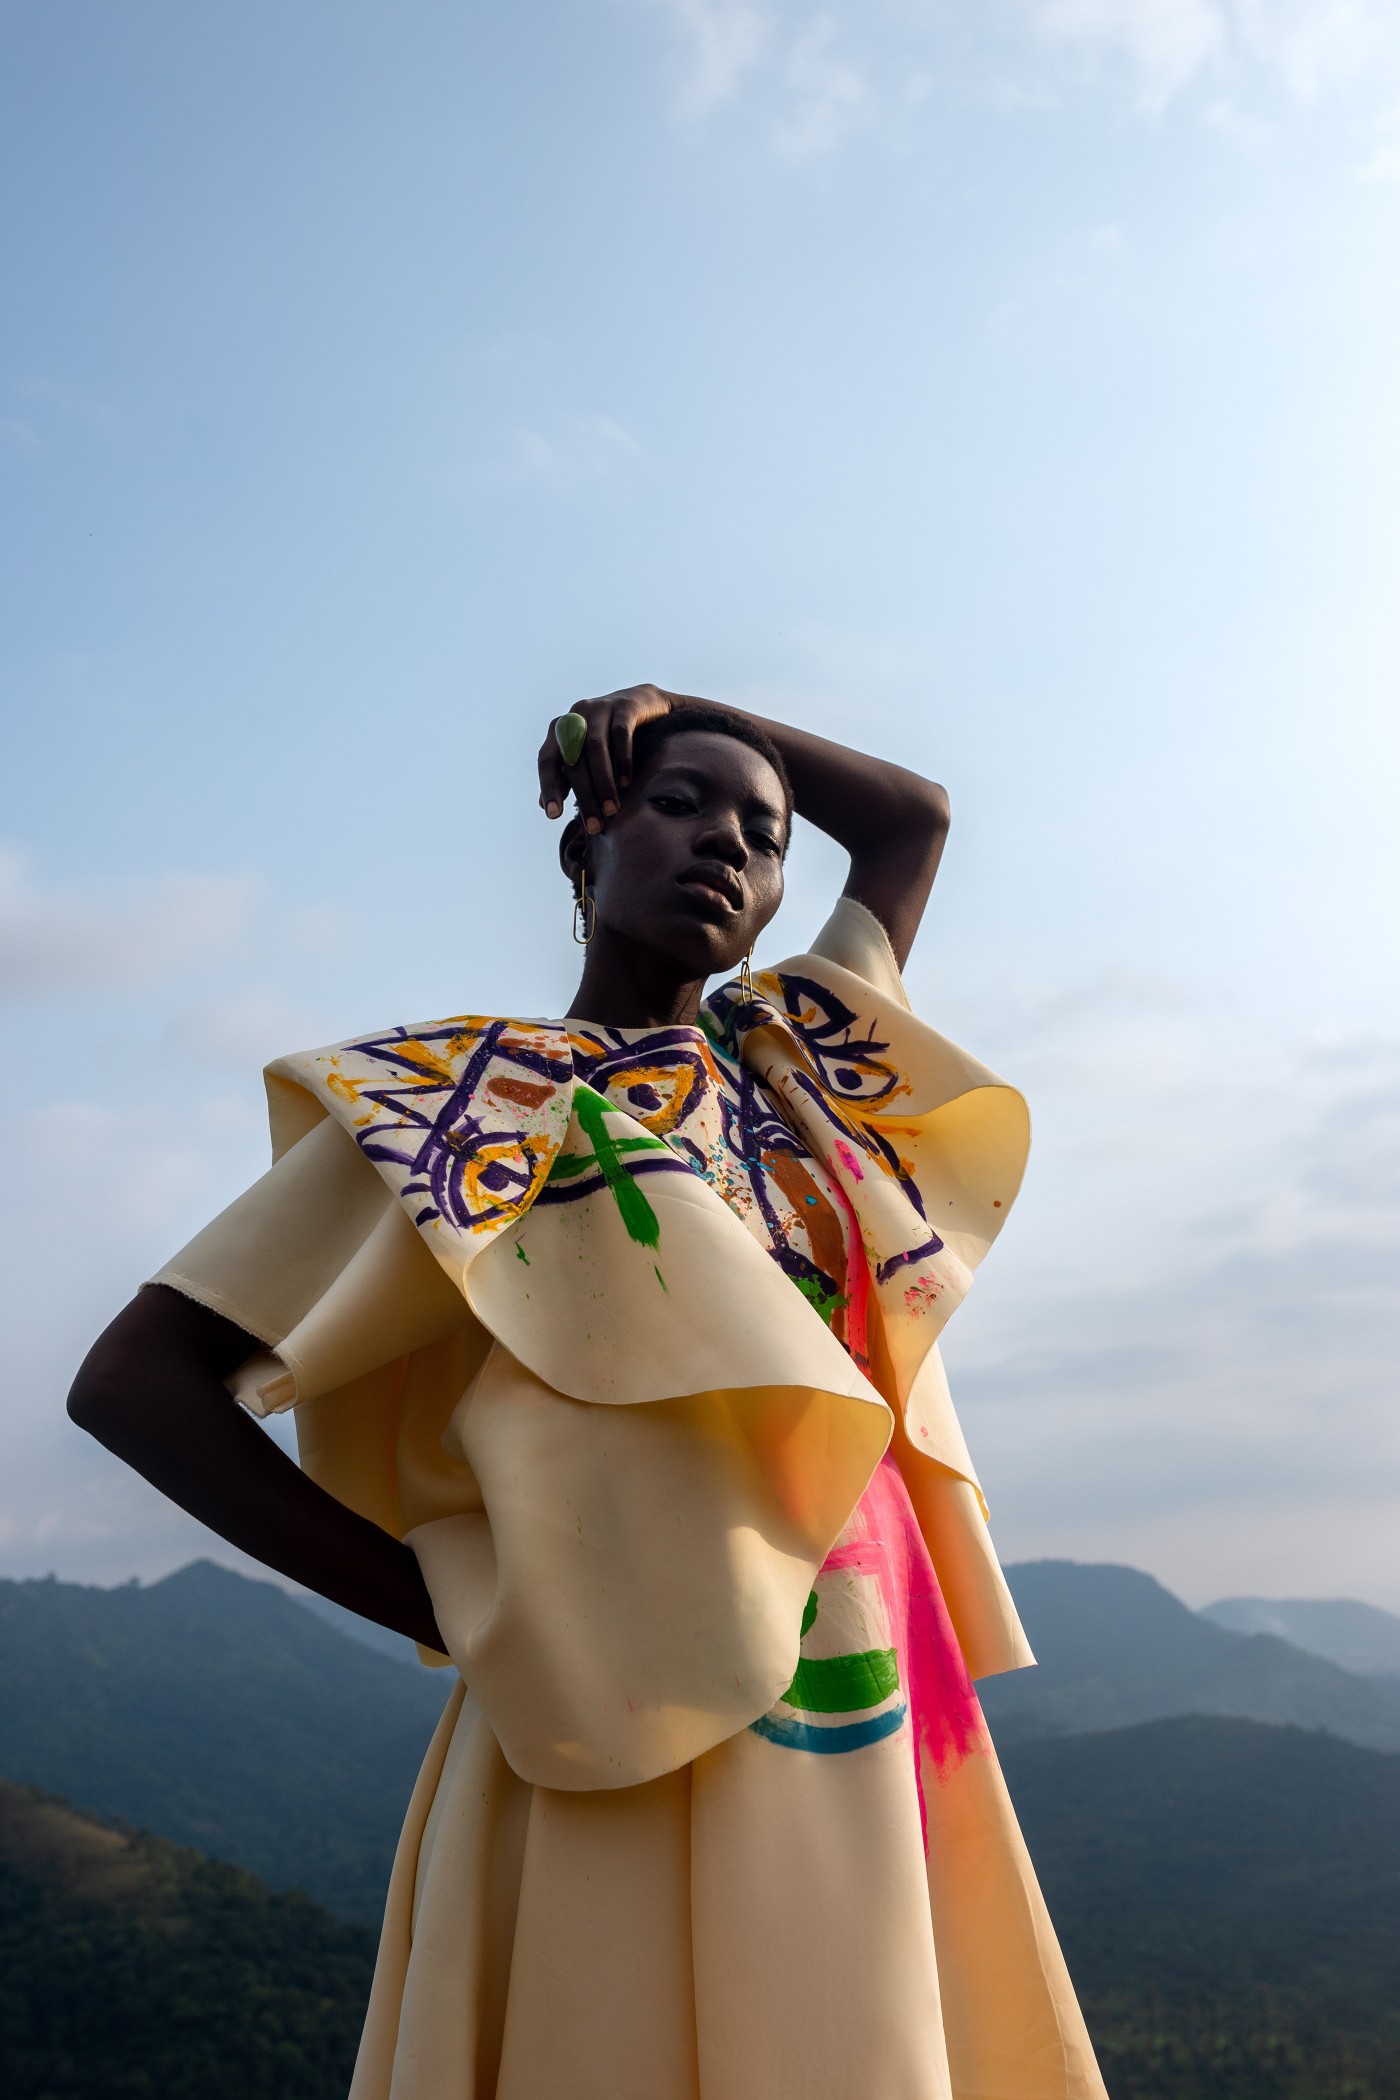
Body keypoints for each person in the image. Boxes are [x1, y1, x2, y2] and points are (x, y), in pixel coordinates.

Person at [69, 686, 1108, 2100]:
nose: (727, 846)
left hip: (871, 1676)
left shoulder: (795, 1069)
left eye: (763, 835)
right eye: (677, 804)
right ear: (586, 842)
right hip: (604, 1708)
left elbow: (911, 821)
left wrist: (675, 698)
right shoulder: (466, 1105)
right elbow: (137, 1384)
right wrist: (448, 1605)